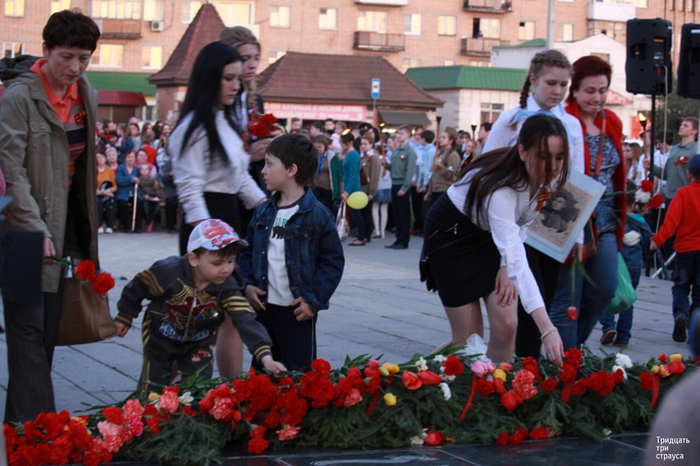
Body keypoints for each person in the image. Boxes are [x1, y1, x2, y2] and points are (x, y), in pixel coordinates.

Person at [0, 9, 101, 424]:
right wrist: (33, 227)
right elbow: (10, 170)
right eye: (66, 57)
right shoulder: (18, 97)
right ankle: (42, 432)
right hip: (20, 230)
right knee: (27, 332)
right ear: (45, 50)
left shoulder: (86, 93)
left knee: (46, 333)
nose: (75, 67)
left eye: (84, 58)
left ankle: (22, 428)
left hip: (61, 230)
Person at [422, 114, 567, 365]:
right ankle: (412, 377)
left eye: (559, 157)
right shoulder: (502, 189)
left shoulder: (548, 181)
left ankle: (497, 386)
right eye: (543, 156)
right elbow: (516, 255)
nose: (552, 167)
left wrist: (504, 265)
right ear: (522, 152)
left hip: (492, 236)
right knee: (468, 341)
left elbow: (522, 224)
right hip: (451, 235)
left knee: (507, 325)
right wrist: (547, 329)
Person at [169, 41, 266, 383]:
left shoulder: (225, 121)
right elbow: (189, 190)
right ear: (210, 78)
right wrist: (211, 242)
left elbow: (239, 178)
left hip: (227, 222)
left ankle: (228, 391)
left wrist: (269, 208)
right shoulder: (193, 127)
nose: (236, 85)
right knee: (200, 318)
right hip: (206, 228)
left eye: (238, 78)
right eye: (228, 78)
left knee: (231, 315)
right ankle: (180, 392)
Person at [483, 49, 585, 358]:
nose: (557, 91)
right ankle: (524, 363)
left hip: (552, 222)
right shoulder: (511, 120)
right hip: (512, 218)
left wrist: (577, 233)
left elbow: (575, 181)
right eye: (551, 83)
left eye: (564, 85)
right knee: (524, 291)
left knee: (547, 293)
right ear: (533, 80)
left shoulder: (571, 125)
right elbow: (485, 167)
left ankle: (532, 362)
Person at [114, 219, 286, 395]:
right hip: (160, 337)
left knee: (198, 388)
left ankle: (184, 407)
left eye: (230, 261)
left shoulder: (227, 287)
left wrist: (266, 358)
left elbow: (246, 319)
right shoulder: (168, 272)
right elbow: (137, 287)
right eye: (217, 263)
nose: (226, 269)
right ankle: (144, 407)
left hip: (198, 343)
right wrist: (125, 316)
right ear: (194, 259)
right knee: (152, 385)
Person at [237, 134, 344, 371]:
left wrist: (313, 300)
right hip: (264, 307)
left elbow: (332, 263)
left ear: (291, 170)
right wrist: (247, 284)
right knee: (262, 369)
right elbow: (246, 250)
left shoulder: (318, 215)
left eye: (269, 164)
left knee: (298, 372)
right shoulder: (263, 211)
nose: (263, 170)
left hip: (297, 310)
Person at [548, 54, 628, 350]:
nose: (597, 97)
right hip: (567, 218)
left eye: (603, 90)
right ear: (575, 90)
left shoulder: (613, 121)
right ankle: (566, 361)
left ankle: (569, 354)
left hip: (605, 219)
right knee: (567, 300)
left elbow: (618, 171)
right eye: (590, 90)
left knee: (604, 290)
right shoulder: (562, 119)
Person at [650, 154, 700, 343]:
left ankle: (680, 314)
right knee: (699, 292)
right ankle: (695, 328)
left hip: (685, 249)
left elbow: (670, 223)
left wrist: (657, 241)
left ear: (689, 174)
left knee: (680, 286)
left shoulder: (683, 194)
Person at [599, 179, 652, 348]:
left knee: (607, 295)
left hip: (617, 264)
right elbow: (647, 243)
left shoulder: (613, 219)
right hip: (635, 265)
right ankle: (623, 337)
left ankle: (608, 326)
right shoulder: (640, 221)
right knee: (628, 300)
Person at [385, 125, 417, 250]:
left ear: (408, 135)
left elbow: (409, 172)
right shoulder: (396, 150)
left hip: (402, 184)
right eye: (398, 133)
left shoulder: (410, 152)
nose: (399, 136)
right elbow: (393, 168)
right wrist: (385, 164)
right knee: (397, 214)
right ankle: (398, 239)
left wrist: (404, 188)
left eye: (402, 133)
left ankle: (404, 241)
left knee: (403, 214)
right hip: (394, 183)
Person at [340, 132, 366, 246]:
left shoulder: (353, 155)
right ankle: (361, 235)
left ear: (350, 142)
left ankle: (361, 236)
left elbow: (353, 174)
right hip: (349, 186)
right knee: (355, 213)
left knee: (356, 213)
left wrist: (347, 191)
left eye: (343, 143)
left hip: (353, 188)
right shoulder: (349, 154)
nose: (341, 145)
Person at [425, 127, 461, 207]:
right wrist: (430, 191)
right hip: (436, 189)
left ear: (451, 141)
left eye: (444, 138)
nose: (441, 139)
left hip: (444, 189)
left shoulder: (453, 155)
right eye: (441, 137)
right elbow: (434, 174)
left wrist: (440, 166)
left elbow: (450, 175)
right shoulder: (441, 153)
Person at [312, 134, 343, 214]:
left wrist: (341, 190)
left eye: (319, 147)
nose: (318, 149)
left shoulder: (332, 156)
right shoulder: (312, 155)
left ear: (325, 146)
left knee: (328, 208)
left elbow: (338, 174)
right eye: (315, 147)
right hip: (315, 186)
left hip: (328, 187)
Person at [115, 150, 144, 232]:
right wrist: (131, 179)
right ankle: (126, 226)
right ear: (125, 158)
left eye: (132, 157)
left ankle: (137, 227)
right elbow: (119, 180)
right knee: (123, 204)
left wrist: (138, 180)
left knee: (139, 203)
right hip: (123, 192)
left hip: (134, 192)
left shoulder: (137, 169)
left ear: (135, 159)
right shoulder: (120, 168)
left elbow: (141, 180)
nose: (130, 159)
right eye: (128, 157)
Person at [360, 132, 381, 242]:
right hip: (361, 188)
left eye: (365, 144)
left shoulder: (374, 157)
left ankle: (367, 234)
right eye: (362, 144)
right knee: (362, 212)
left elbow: (374, 175)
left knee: (367, 213)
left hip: (368, 189)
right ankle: (363, 232)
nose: (363, 146)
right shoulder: (363, 156)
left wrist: (372, 191)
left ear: (371, 144)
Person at [96, 151, 116, 233]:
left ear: (105, 159)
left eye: (102, 157)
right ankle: (99, 225)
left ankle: (109, 226)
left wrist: (109, 190)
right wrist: (100, 192)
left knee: (110, 203)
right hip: (96, 193)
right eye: (98, 157)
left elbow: (114, 186)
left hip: (107, 192)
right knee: (98, 203)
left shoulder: (109, 170)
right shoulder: (93, 170)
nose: (100, 159)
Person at [137, 163, 162, 233]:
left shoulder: (153, 179)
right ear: (139, 171)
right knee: (145, 207)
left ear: (149, 170)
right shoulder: (138, 180)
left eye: (146, 169)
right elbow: (138, 190)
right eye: (142, 169)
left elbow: (157, 189)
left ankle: (150, 220)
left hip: (152, 195)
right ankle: (148, 222)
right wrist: (143, 195)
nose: (144, 171)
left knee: (157, 207)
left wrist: (156, 195)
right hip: (143, 196)